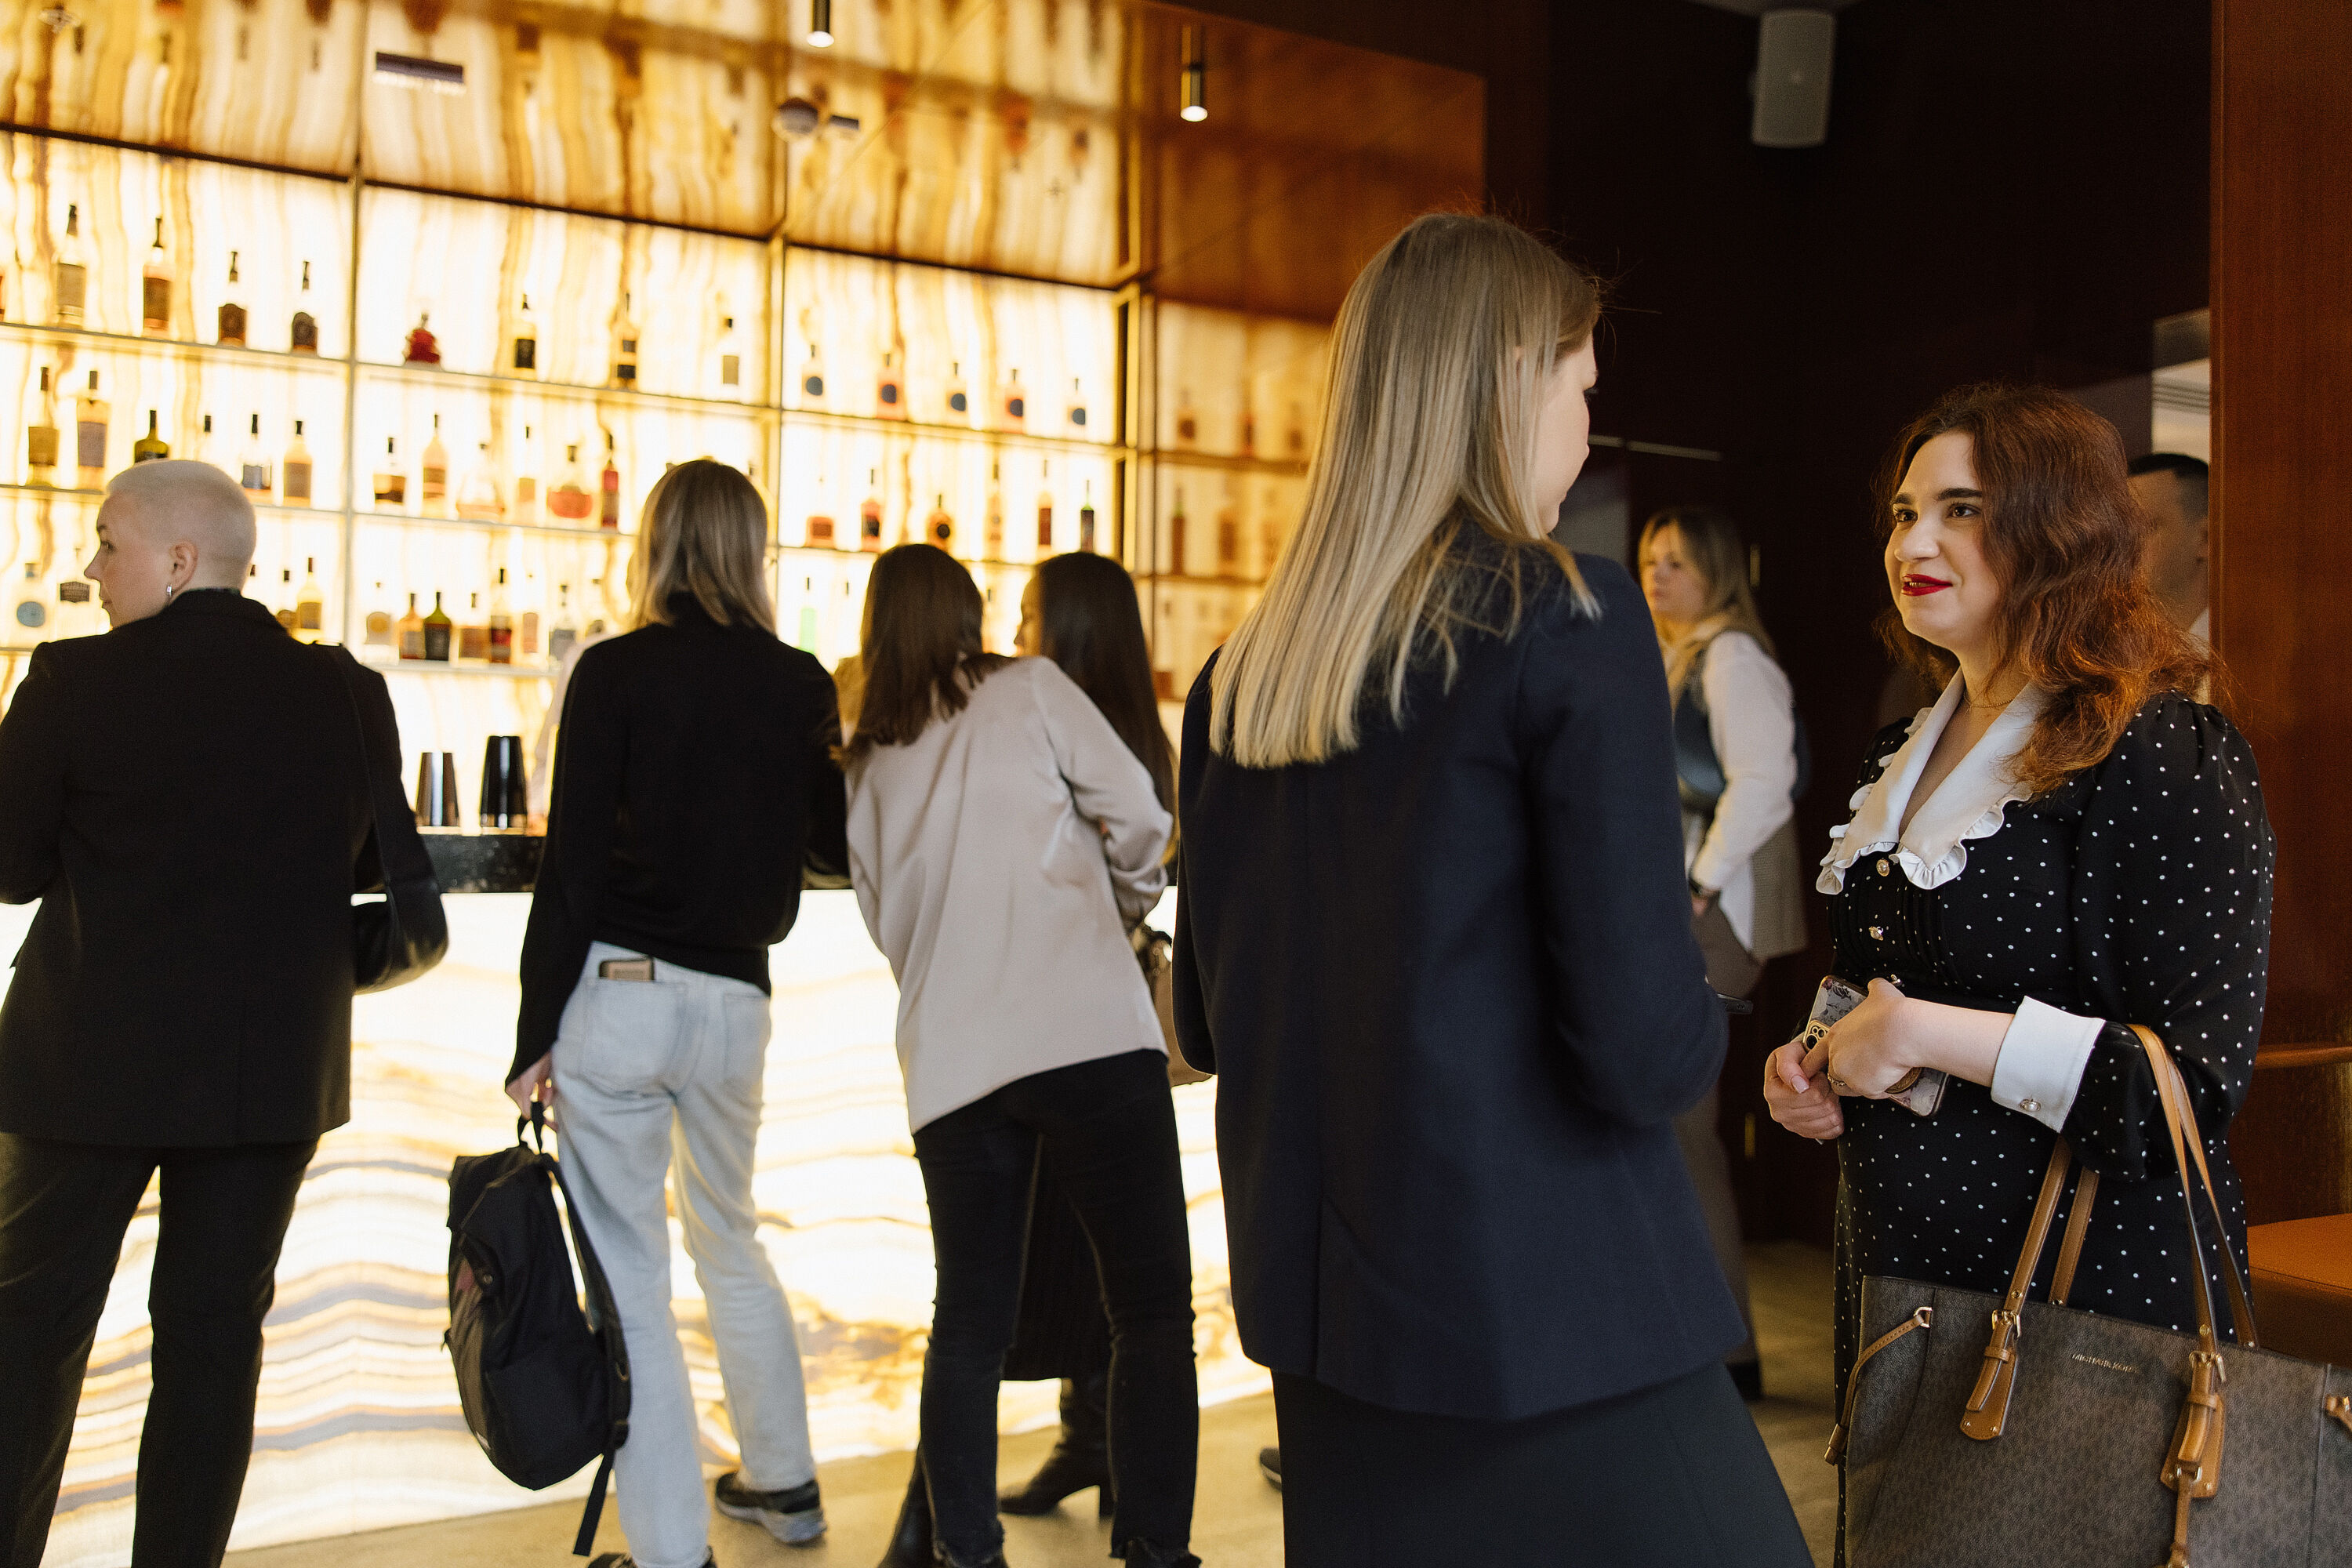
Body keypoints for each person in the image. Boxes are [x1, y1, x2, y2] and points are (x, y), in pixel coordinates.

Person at [1173, 212, 1809, 1566]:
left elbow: (1209, 1024)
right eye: (1582, 388)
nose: (1584, 431)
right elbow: (1642, 1051)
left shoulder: (1242, 676)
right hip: (1552, 1313)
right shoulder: (1564, 615)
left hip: (1331, 1330)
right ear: (1513, 381)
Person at [1765, 385, 2271, 1566]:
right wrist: (1818, 1060)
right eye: (1905, 512)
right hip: (1900, 1283)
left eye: (1962, 509)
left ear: (2057, 530)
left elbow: (2189, 1087)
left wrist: (1923, 1036)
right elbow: (1879, 984)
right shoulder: (1902, 750)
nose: (1914, 541)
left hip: (2084, 1301)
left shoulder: (2162, 748)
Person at [0, 459, 436, 1568]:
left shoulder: (70, 679)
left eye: (109, 544)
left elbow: (8, 868)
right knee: (211, 1351)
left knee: (27, 1340)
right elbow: (365, 865)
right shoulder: (345, 690)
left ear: (180, 559)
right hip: (266, 1075)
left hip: (82, 1069)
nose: (92, 568)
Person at [507, 459, 849, 1568]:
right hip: (738, 1002)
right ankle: (786, 1481)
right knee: (731, 1236)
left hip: (623, 995)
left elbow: (570, 870)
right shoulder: (801, 681)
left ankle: (670, 1553)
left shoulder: (614, 670)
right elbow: (831, 843)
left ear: (654, 544)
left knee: (631, 1280)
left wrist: (533, 1031)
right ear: (753, 551)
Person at [843, 543, 1197, 1568]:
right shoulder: (1031, 687)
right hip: (1089, 1031)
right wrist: (1117, 902)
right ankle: (1155, 1552)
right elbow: (1145, 820)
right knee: (1149, 1314)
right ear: (969, 611)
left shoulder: (868, 757)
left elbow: (883, 921)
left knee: (968, 1326)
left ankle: (968, 1552)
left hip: (952, 1065)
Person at [992, 554, 1179, 1526]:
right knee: (1108, 1244)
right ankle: (1098, 1442)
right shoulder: (1141, 729)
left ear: (1070, 626)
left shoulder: (1055, 725)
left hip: (1063, 1016)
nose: (1016, 634)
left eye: (1029, 616)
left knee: (1067, 1244)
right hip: (1117, 1016)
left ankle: (1094, 1439)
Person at [1636, 504, 1807, 1401]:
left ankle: (1725, 1352)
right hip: (1692, 913)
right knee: (1675, 1125)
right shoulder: (1684, 654)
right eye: (1650, 560)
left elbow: (1766, 780)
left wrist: (1698, 882)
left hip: (1713, 920)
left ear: (1716, 568)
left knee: (1681, 1124)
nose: (1657, 575)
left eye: (1676, 560)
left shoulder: (1732, 655)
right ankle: (1707, 1345)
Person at [2125, 452, 2210, 642]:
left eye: (2144, 527)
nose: (2125, 544)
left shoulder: (2242, 650)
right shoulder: (2117, 649)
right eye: (2121, 530)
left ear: (2206, 539)